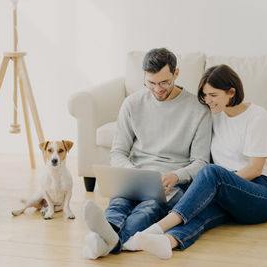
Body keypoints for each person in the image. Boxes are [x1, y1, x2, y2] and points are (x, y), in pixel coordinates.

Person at [132, 64, 267, 259]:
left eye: (213, 95)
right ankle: (167, 242)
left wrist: (219, 185)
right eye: (204, 95)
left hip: (261, 194)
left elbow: (255, 168)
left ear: (231, 92)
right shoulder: (215, 115)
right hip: (228, 192)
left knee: (212, 173)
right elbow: (180, 118)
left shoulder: (257, 117)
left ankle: (157, 228)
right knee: (198, 213)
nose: (207, 101)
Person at [82, 48, 213, 259]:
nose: (158, 89)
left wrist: (176, 176)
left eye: (164, 83)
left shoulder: (198, 109)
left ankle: (105, 241)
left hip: (171, 181)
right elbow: (118, 152)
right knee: (118, 203)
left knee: (148, 208)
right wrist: (131, 172)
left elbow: (201, 162)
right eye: (151, 83)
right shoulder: (132, 103)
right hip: (136, 175)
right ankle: (109, 237)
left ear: (176, 74)